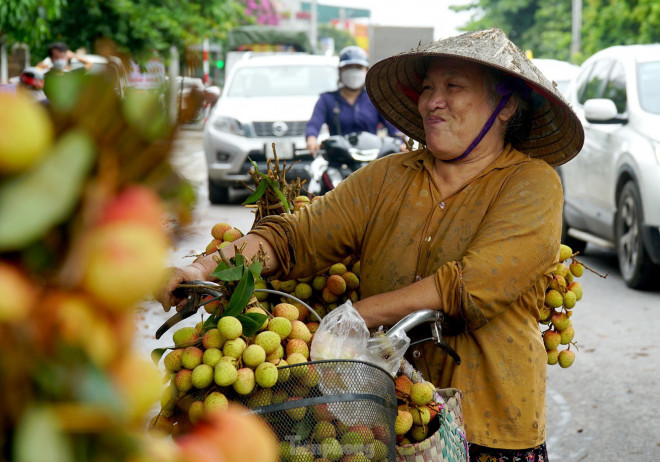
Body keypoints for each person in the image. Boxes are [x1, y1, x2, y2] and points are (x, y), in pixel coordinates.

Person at [157, 29, 584, 460]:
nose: (432, 100)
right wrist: (202, 270)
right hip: (384, 423)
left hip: (490, 430)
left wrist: (350, 320)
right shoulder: (387, 177)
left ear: (506, 105)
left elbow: (468, 286)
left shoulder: (532, 184)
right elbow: (294, 236)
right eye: (427, 88)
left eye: (453, 87)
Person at [305, 45, 404, 155]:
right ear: (340, 71)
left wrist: (401, 143)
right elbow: (314, 124)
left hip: (371, 161)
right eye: (349, 67)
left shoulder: (376, 99)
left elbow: (393, 126)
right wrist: (311, 139)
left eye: (358, 67)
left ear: (367, 70)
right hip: (338, 161)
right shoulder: (327, 99)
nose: (353, 71)